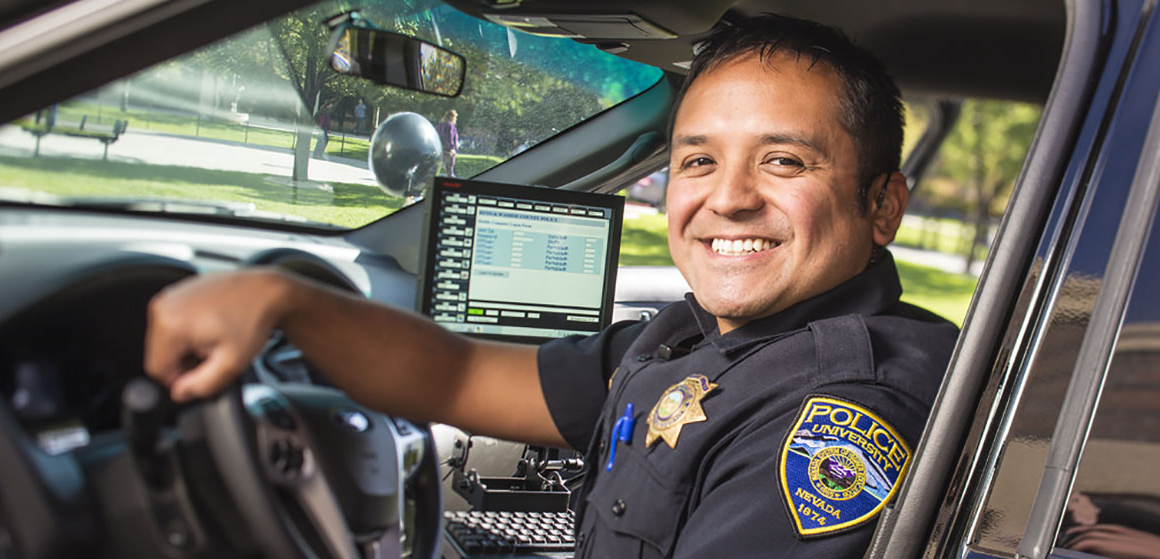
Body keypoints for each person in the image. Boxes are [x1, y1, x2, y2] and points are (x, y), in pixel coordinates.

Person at [145, 14, 958, 557]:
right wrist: (285, 303)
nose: (728, 197)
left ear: (881, 205)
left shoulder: (838, 417)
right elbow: (459, 374)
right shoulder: (701, 335)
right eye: (698, 160)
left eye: (783, 161)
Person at [436, 109, 458, 176]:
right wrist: (452, 148)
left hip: (440, 149)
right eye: (455, 117)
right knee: (450, 172)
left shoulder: (439, 125)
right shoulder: (450, 125)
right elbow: (450, 137)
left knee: (437, 168)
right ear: (452, 117)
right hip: (449, 150)